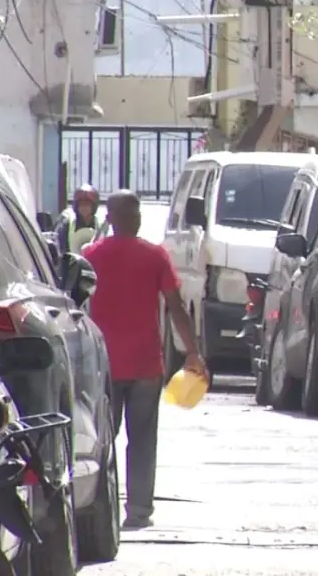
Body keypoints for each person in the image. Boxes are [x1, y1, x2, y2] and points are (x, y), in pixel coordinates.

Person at [83, 190, 207, 530]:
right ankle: (138, 510)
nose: (137, 220)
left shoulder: (91, 255)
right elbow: (176, 307)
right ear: (131, 219)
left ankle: (99, 506)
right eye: (134, 214)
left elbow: (75, 307)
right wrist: (193, 352)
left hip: (104, 367)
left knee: (102, 439)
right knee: (142, 440)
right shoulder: (155, 256)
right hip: (144, 366)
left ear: (109, 218)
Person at [53, 184, 103, 254]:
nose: (84, 207)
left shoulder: (101, 223)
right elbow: (57, 246)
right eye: (81, 204)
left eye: (87, 204)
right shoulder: (65, 221)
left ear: (94, 206)